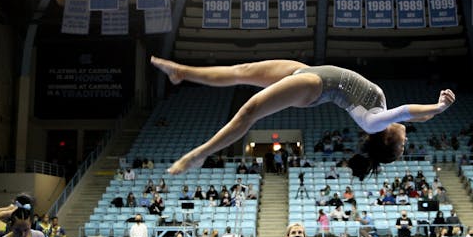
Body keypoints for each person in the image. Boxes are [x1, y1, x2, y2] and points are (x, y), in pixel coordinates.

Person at [151, 56, 455, 179]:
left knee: (250, 111)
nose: (406, 140)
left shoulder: (373, 122)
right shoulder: (381, 121)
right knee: (240, 72)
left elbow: (408, 112)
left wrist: (438, 107)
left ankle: (198, 154)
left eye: (402, 147)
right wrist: (436, 109)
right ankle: (182, 72)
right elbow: (418, 118)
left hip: (314, 86)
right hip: (309, 71)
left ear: (388, 139)